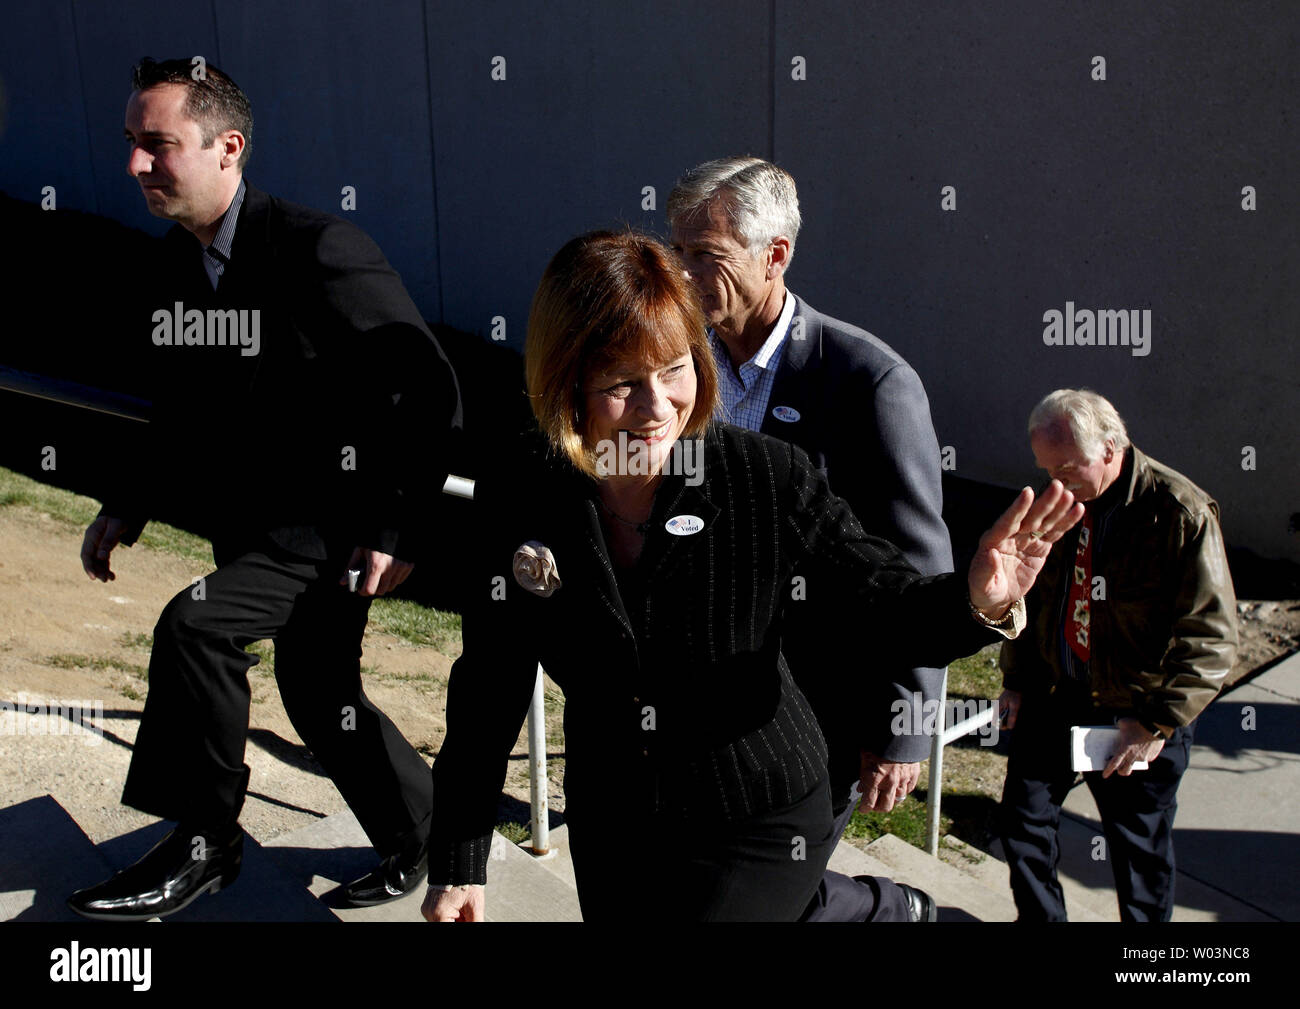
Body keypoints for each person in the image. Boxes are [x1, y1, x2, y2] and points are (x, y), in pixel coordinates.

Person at [420, 230, 1081, 922]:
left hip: (758, 807)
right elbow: (490, 678)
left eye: (675, 369)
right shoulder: (523, 486)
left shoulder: (765, 477)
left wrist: (975, 599)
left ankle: (867, 909)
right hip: (614, 807)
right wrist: (461, 859)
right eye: (622, 384)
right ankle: (858, 911)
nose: (658, 408)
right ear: (566, 383)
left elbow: (885, 603)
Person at [68, 57, 461, 920]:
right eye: (132, 145)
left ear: (227, 148)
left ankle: (207, 841)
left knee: (196, 628)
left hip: (329, 524)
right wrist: (127, 499)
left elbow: (428, 388)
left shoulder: (319, 248)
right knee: (321, 693)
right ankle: (423, 830)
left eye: (157, 146)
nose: (135, 165)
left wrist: (398, 523)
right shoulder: (181, 264)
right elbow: (181, 404)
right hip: (249, 522)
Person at [667, 157, 951, 921]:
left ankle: (891, 913)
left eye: (708, 256)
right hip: (704, 696)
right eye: (678, 252)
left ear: (775, 256)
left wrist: (905, 727)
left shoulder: (867, 382)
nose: (683, 276)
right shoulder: (682, 366)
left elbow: (916, 572)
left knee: (754, 897)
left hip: (817, 714)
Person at [997, 389, 1237, 921]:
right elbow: (1029, 596)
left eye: (1067, 466)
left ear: (1111, 448)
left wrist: (1154, 724)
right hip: (1057, 695)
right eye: (1045, 468)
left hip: (1138, 710)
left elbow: (1213, 640)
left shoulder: (1177, 512)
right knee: (1022, 822)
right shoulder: (1054, 501)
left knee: (1138, 854)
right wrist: (1016, 678)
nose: (1056, 482)